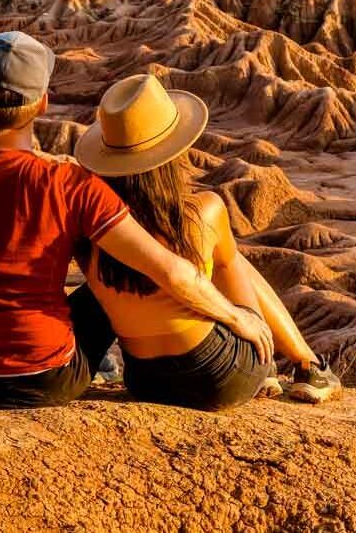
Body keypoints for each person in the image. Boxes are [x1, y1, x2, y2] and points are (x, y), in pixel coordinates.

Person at [0, 32, 271, 410]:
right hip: (47, 378)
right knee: (111, 280)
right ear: (43, 105)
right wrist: (236, 318)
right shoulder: (69, 185)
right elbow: (172, 273)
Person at [75, 74, 342, 409]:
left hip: (146, 381)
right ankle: (303, 366)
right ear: (173, 153)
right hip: (221, 377)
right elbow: (211, 276)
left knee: (204, 258)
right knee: (230, 260)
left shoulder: (89, 228)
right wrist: (239, 321)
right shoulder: (205, 210)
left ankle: (290, 366)